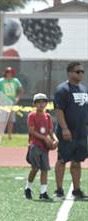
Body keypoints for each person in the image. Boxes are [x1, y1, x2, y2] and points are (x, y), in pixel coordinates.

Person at [53, 62, 87, 199]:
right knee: (62, 160)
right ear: (70, 73)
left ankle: (76, 190)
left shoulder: (83, 89)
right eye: (78, 71)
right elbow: (59, 110)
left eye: (82, 72)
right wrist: (65, 128)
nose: (81, 74)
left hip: (81, 133)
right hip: (67, 133)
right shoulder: (63, 89)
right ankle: (59, 189)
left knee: (77, 161)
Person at [24, 93, 58, 200]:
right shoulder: (32, 115)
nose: (41, 104)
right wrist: (44, 138)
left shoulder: (47, 117)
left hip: (44, 148)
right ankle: (28, 188)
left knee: (45, 169)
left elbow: (51, 131)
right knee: (35, 168)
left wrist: (55, 140)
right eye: (38, 102)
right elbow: (31, 131)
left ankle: (43, 192)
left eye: (43, 102)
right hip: (35, 146)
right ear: (34, 104)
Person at [0, 67, 24, 140]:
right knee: (2, 119)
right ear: (5, 73)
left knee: (11, 120)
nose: (9, 74)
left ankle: (10, 135)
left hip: (12, 102)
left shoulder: (16, 81)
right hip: (3, 102)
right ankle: (1, 135)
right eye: (8, 72)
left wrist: (17, 98)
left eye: (10, 72)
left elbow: (21, 90)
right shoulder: (1, 81)